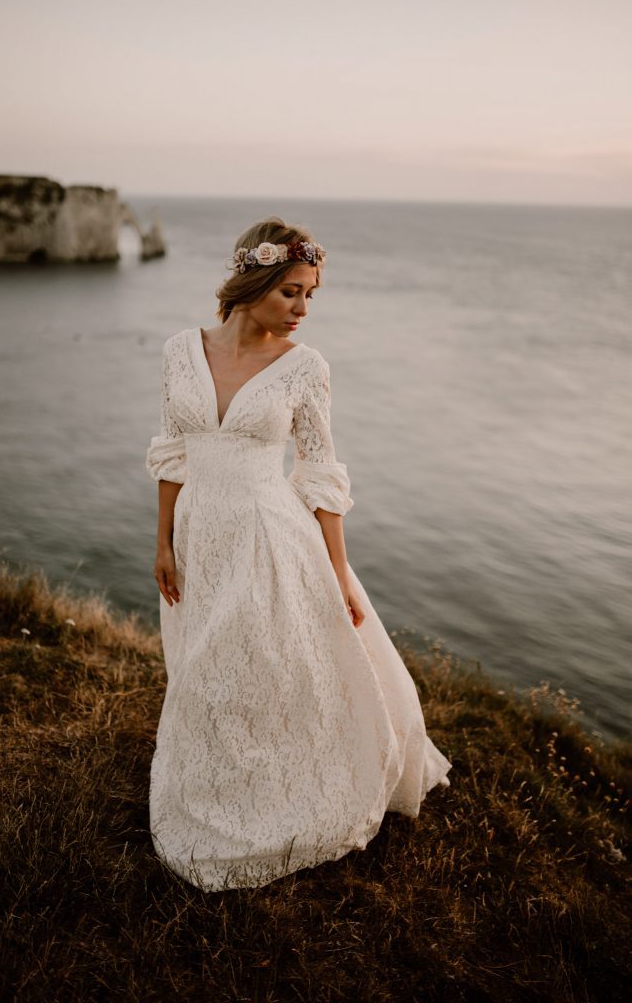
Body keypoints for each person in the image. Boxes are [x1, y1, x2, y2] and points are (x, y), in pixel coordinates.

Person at [145, 216, 452, 892]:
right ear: (250, 282)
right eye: (290, 292)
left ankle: (286, 787)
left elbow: (318, 472)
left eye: (310, 294)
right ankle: (215, 779)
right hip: (201, 534)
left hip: (269, 535)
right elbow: (172, 450)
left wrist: (337, 572)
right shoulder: (179, 351)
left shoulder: (305, 368)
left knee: (272, 665)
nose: (302, 310)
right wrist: (163, 540)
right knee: (205, 665)